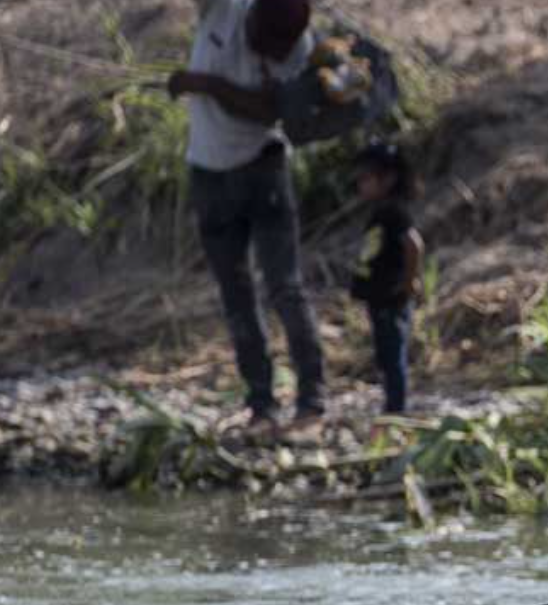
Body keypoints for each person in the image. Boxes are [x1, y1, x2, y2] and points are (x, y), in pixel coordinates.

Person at [167, 0, 327, 436]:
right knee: (236, 296)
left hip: (264, 169)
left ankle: (312, 401)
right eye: (266, 39)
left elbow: (267, 110)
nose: (273, 51)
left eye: (282, 45)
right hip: (209, 174)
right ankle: (262, 406)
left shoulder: (299, 48)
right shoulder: (223, 10)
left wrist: (205, 83)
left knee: (284, 287)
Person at [348, 141, 424, 415]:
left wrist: (408, 282)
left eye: (366, 178)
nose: (360, 184)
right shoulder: (381, 212)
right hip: (380, 297)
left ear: (388, 179)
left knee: (393, 356)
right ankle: (393, 407)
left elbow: (413, 244)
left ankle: (396, 411)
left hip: (392, 297)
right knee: (385, 354)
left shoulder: (394, 212)